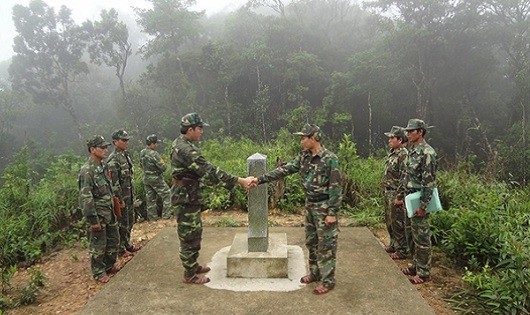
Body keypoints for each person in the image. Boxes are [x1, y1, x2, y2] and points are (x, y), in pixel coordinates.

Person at [250, 123, 342, 295]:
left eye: (303, 137)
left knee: (326, 244)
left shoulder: (330, 158)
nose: (301, 141)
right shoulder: (304, 157)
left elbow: (335, 187)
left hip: (324, 207)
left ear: (314, 138)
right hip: (310, 205)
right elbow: (284, 170)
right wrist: (260, 179)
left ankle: (328, 280)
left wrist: (332, 213)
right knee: (312, 241)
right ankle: (314, 272)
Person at [170, 112, 253, 285]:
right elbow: (209, 170)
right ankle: (189, 274)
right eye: (199, 128)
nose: (202, 132)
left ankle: (192, 266)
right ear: (190, 129)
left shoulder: (182, 143)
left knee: (195, 231)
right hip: (185, 198)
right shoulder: (186, 150)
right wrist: (240, 181)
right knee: (189, 235)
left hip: (189, 194)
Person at [78, 135, 120, 283]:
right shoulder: (87, 170)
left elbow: (108, 188)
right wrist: (93, 220)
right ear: (92, 149)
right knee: (98, 244)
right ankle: (98, 271)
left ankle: (109, 265)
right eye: (102, 147)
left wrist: (116, 204)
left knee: (114, 240)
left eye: (106, 147)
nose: (105, 149)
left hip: (109, 212)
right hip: (98, 215)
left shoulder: (103, 166)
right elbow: (86, 197)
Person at [401, 119, 437, 284]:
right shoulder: (412, 150)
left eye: (411, 131)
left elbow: (428, 182)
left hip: (419, 198)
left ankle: (423, 272)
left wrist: (423, 206)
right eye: (407, 131)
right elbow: (408, 176)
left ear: (420, 132)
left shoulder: (427, 152)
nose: (408, 134)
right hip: (409, 197)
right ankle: (415, 265)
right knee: (411, 234)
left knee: (421, 236)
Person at [107, 129, 140, 257]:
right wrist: (119, 200)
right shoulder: (113, 160)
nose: (127, 142)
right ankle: (120, 249)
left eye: (127, 140)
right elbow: (114, 183)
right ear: (115, 142)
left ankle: (127, 244)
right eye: (124, 140)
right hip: (122, 198)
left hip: (130, 195)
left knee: (130, 221)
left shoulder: (125, 155)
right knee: (122, 224)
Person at [381, 126, 409, 260]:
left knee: (398, 222)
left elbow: (405, 176)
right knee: (389, 221)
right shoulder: (393, 153)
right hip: (388, 192)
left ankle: (402, 249)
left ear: (400, 139)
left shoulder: (403, 154)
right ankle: (393, 244)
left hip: (395, 193)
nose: (389, 140)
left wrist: (400, 196)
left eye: (392, 138)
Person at [140, 134, 173, 221]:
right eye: (155, 143)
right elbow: (163, 167)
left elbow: (141, 165)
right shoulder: (154, 154)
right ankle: (166, 216)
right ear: (152, 144)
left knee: (150, 199)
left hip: (146, 179)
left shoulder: (142, 152)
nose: (156, 145)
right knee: (167, 194)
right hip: (156, 179)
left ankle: (152, 219)